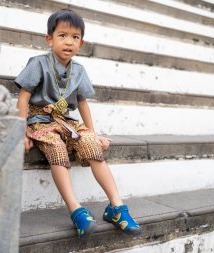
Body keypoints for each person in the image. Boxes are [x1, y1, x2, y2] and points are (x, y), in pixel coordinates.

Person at [15, 9, 141, 239]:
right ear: (49, 38)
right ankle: (76, 210)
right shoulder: (39, 63)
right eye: (62, 35)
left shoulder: (79, 70)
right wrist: (21, 130)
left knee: (92, 146)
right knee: (55, 147)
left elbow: (82, 104)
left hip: (66, 121)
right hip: (39, 120)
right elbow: (23, 97)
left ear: (81, 43)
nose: (69, 42)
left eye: (75, 37)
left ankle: (116, 207)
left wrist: (92, 134)